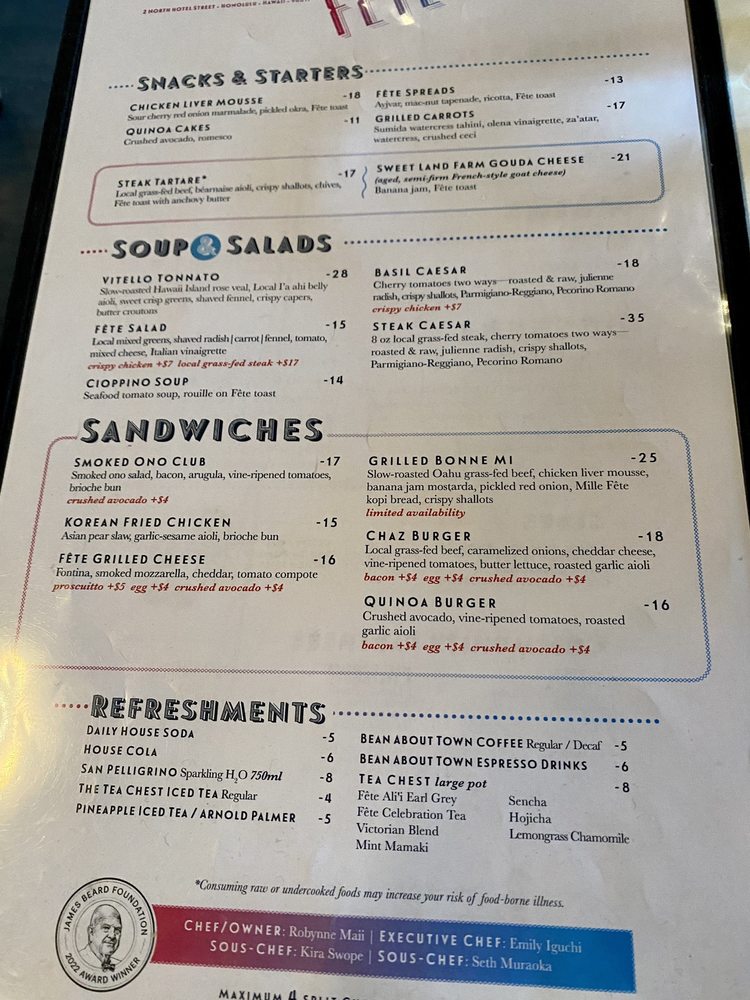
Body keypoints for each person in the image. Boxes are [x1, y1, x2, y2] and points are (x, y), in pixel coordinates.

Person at [81, 904, 122, 971]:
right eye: (106, 928)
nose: (112, 936)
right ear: (91, 932)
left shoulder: (120, 965)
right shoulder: (79, 960)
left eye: (117, 930)